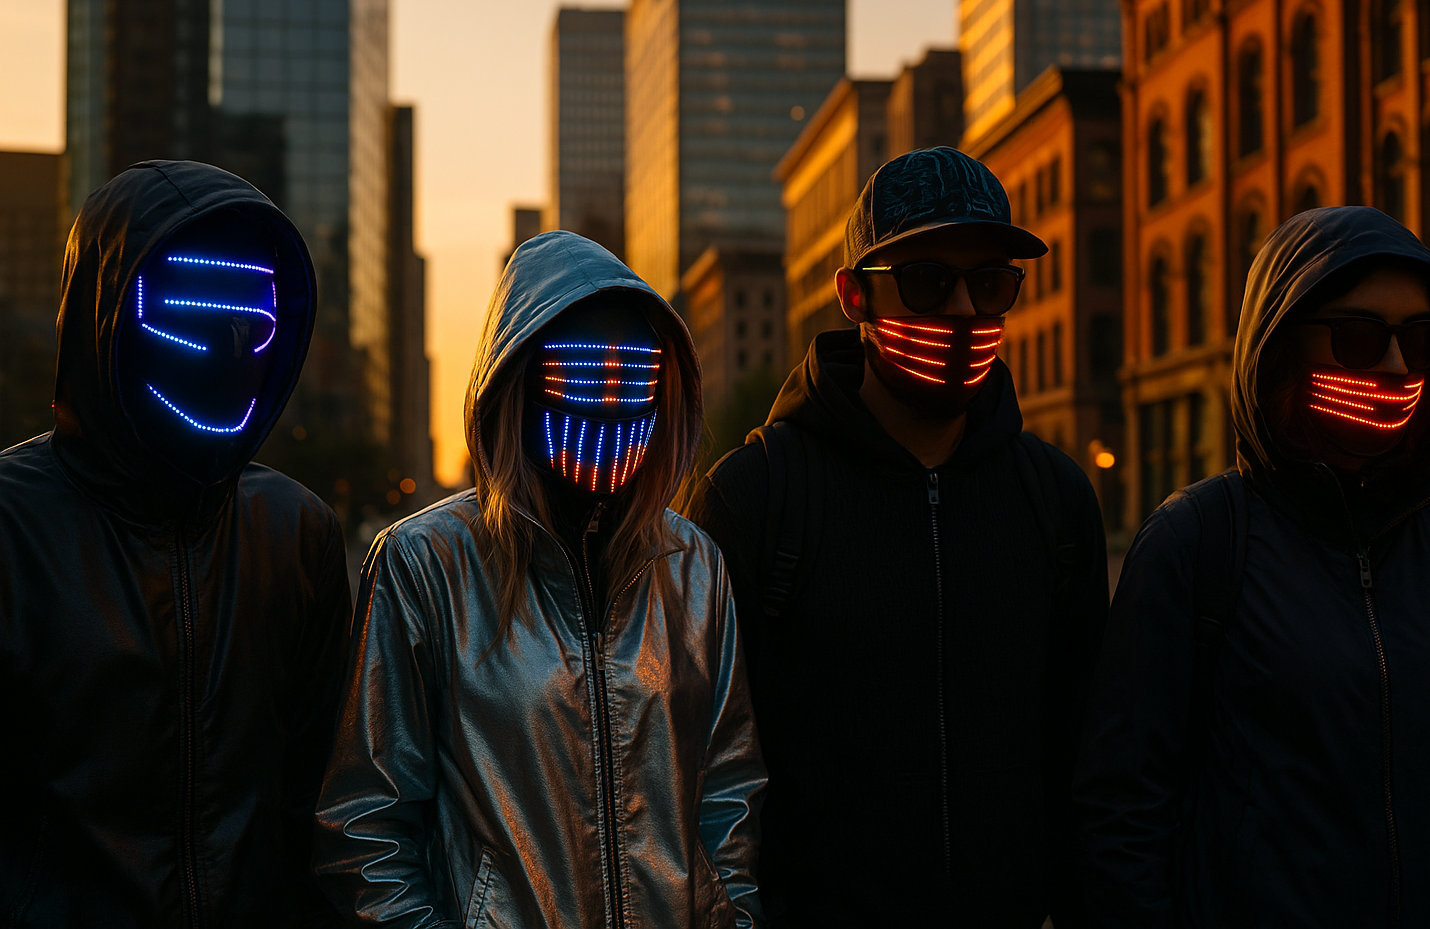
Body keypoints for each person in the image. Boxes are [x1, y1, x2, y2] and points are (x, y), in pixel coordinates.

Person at [1074, 206, 1430, 928]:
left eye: (1420, 339)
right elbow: (1122, 815)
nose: (1395, 365)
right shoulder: (1195, 541)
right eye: (1357, 336)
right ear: (1280, 350)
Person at [684, 146, 1110, 927]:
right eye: (925, 281)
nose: (960, 311)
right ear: (854, 296)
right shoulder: (758, 498)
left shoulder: (1055, 501)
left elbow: (1087, 760)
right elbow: (699, 776)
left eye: (989, 284)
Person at [314, 230, 765, 927]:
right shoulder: (426, 564)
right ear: (516, 385)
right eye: (580, 374)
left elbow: (727, 793)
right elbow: (367, 822)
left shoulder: (691, 564)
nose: (610, 405)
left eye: (635, 376)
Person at [0, 160, 351, 926]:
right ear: (106, 316)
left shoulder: (296, 533)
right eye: (187, 309)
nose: (227, 348)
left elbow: (324, 810)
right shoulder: (11, 526)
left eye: (252, 319)